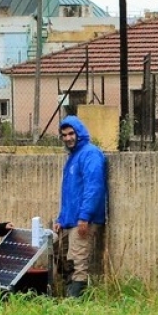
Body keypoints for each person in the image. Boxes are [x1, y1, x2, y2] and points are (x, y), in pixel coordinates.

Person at [53, 115, 107, 298]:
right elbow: (69, 193)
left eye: (71, 134)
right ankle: (68, 294)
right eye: (64, 135)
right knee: (62, 257)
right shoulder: (73, 157)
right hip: (70, 220)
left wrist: (85, 216)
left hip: (83, 220)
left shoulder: (90, 154)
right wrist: (61, 218)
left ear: (79, 133)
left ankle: (75, 303)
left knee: (77, 262)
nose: (68, 138)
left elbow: (94, 187)